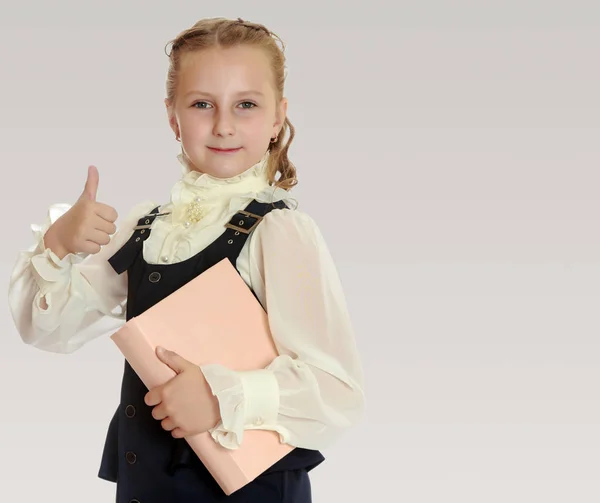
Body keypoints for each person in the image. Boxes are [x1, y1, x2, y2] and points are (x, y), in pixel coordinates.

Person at [8, 16, 364, 503]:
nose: (222, 125)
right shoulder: (146, 228)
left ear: (278, 116)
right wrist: (58, 247)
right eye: (202, 104)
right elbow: (46, 330)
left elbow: (337, 391)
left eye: (246, 105)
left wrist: (222, 398)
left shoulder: (280, 231)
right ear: (173, 117)